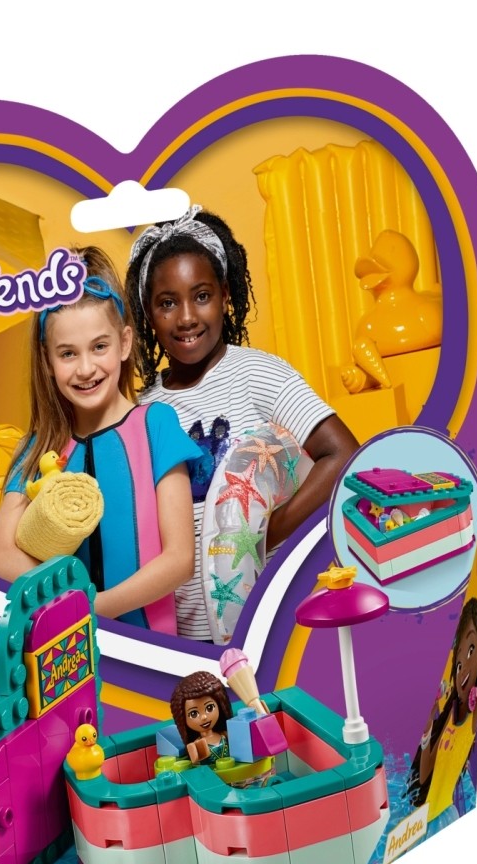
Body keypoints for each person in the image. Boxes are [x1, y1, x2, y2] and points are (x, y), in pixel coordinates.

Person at [125, 205, 360, 641]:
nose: (186, 317)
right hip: (180, 635)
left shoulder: (256, 373)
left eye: (201, 296)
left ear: (225, 295)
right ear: (147, 315)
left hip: (265, 619)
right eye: (167, 303)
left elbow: (343, 454)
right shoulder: (142, 409)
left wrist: (260, 535)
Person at [0, 246, 202, 634]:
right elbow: (1, 559)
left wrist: (91, 608)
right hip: (63, 650)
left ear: (124, 343)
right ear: (47, 361)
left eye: (99, 347)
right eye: (67, 354)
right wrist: (70, 610)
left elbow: (179, 559)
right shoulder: (35, 448)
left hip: (151, 650)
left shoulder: (156, 426)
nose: (86, 368)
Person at [407, 597, 477, 820]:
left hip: (444, 816)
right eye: (458, 665)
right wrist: (427, 730)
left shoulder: (474, 715)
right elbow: (424, 776)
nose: (463, 669)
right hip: (424, 819)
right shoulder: (450, 714)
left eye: (471, 650)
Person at [169, 671, 234, 766]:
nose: (204, 717)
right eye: (194, 714)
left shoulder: (224, 735)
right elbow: (196, 764)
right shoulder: (196, 745)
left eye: (209, 708)